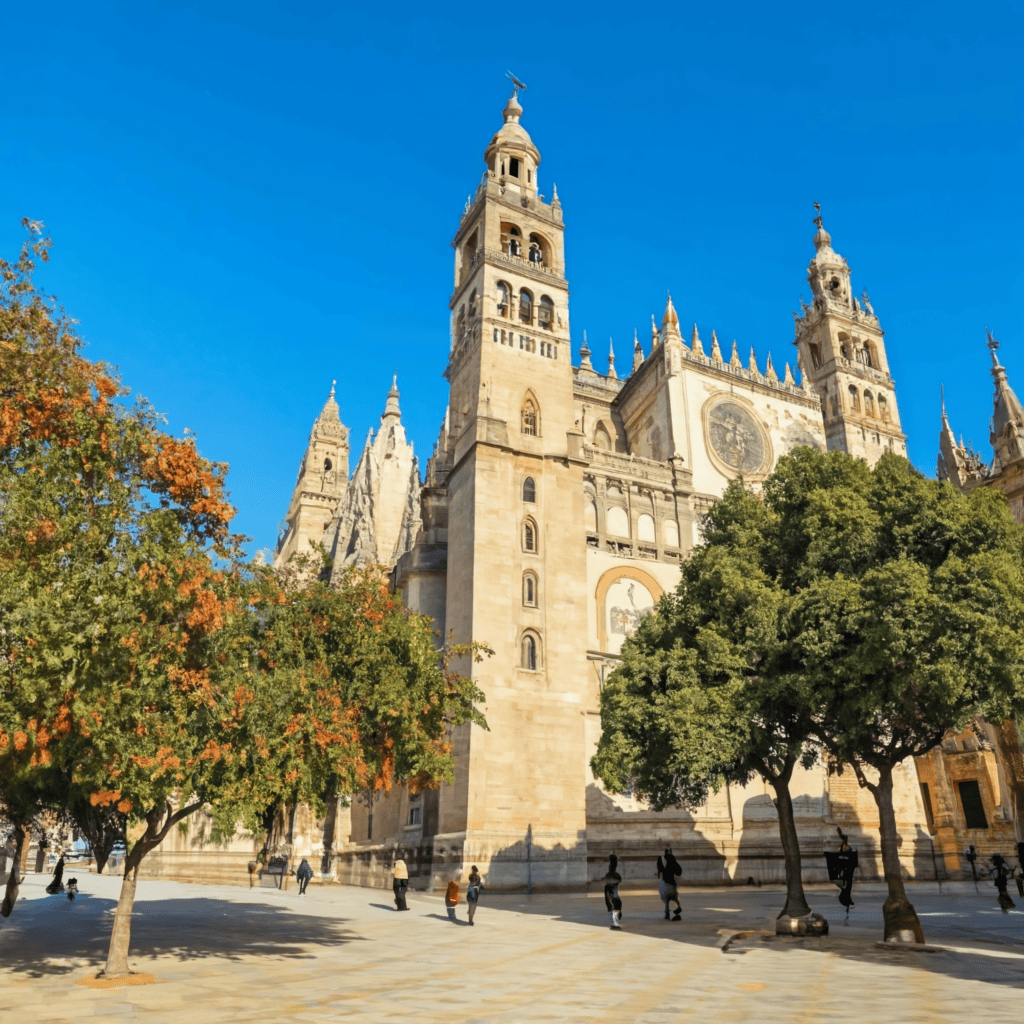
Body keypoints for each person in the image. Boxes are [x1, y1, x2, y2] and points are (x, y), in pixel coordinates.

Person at [656, 848, 682, 921]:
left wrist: (658, 873)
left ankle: (667, 914)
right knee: (675, 898)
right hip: (672, 884)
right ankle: (678, 907)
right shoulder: (673, 860)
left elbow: (659, 870)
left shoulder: (660, 859)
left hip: (665, 883)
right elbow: (679, 872)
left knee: (666, 900)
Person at [603, 854, 623, 929]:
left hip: (614, 896)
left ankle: (616, 923)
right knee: (616, 908)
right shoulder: (613, 876)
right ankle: (615, 923)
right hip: (614, 896)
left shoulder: (613, 876)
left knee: (616, 908)